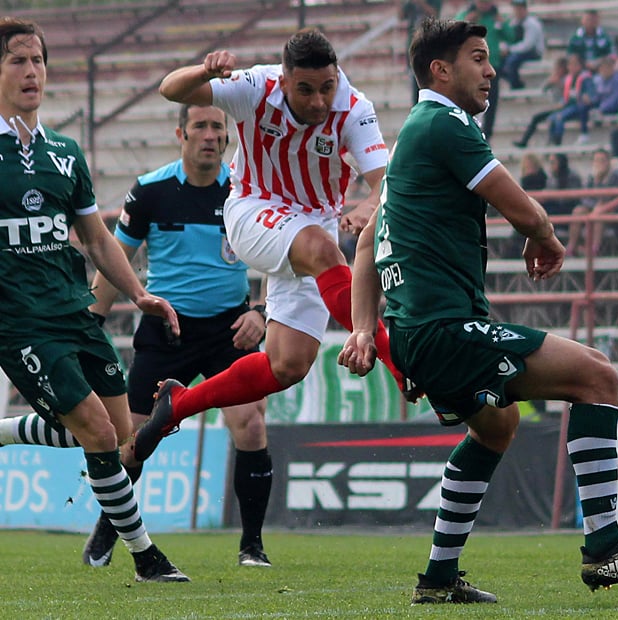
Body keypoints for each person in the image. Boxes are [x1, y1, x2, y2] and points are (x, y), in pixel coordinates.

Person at [338, 17, 618, 605]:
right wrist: (544, 235)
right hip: (446, 329)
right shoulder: (445, 123)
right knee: (597, 375)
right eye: (478, 58)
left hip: (420, 333)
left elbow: (369, 243)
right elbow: (522, 208)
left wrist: (365, 331)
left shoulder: (408, 142)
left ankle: (438, 578)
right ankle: (604, 547)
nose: (491, 69)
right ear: (440, 70)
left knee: (499, 425)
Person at [131, 29, 409, 463]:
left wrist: (369, 204)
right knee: (321, 248)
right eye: (305, 90)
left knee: (287, 366)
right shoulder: (255, 87)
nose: (319, 101)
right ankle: (401, 364)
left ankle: (176, 405)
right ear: (283, 80)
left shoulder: (354, 109)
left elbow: (387, 187)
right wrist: (203, 71)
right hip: (252, 209)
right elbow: (171, 89)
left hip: (314, 226)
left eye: (326, 88)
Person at [0, 17, 188, 583]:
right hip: (19, 323)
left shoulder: (64, 151)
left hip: (74, 312)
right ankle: (147, 557)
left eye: (38, 60)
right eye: (17, 60)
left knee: (118, 437)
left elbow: (96, 238)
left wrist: (138, 293)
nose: (32, 71)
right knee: (100, 434)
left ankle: (4, 430)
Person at [78, 104, 271, 569]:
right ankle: (107, 533)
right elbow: (112, 260)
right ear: (180, 132)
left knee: (251, 423)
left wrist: (263, 311)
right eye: (200, 126)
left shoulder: (244, 190)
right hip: (167, 328)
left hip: (230, 329)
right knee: (132, 438)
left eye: (217, 127)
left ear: (227, 137)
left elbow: (277, 254)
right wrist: (89, 327)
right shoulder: (150, 191)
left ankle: (252, 547)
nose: (209, 135)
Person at [455, 0, 515, 142]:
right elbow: (454, 33)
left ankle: (487, 134)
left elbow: (511, 36)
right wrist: (467, 21)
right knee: (468, 98)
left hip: (492, 66)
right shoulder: (468, 15)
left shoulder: (495, 18)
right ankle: (467, 129)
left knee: (491, 101)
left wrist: (502, 24)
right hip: (472, 68)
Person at [513, 53, 595, 147]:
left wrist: (560, 87)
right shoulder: (567, 79)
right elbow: (545, 90)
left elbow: (579, 96)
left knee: (558, 117)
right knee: (543, 117)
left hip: (572, 107)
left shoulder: (580, 79)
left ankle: (557, 141)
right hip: (562, 106)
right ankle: (537, 141)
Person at [566, 148, 618, 257]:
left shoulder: (616, 177)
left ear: (609, 162)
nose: (599, 164)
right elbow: (585, 198)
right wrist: (594, 204)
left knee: (599, 212)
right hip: (593, 207)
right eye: (597, 160)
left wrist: (599, 203)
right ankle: (572, 247)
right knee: (578, 211)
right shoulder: (591, 178)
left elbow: (612, 197)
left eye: (603, 160)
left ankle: (594, 248)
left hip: (610, 209)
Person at [401, 0, 443, 104]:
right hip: (413, 46)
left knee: (429, 84)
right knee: (415, 86)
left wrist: (420, 2)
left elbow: (434, 14)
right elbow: (401, 16)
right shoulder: (411, 3)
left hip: (429, 46)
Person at [499, 0, 544, 90]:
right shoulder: (513, 22)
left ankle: (516, 87)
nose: (517, 11)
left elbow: (528, 45)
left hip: (533, 52)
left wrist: (510, 50)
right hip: (517, 51)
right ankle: (517, 83)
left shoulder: (532, 24)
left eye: (520, 8)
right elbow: (508, 39)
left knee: (512, 61)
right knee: (499, 62)